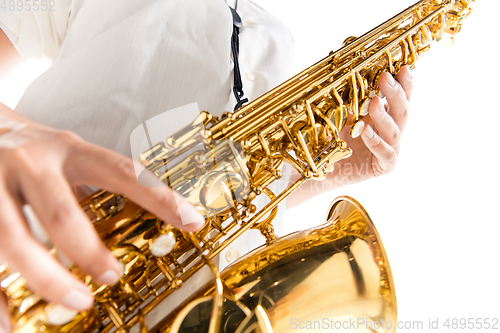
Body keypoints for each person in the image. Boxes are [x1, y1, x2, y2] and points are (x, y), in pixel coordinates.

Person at [0, 0, 413, 331]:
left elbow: (227, 201)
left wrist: (334, 164)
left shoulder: (277, 38)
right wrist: (9, 132)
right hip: (32, 282)